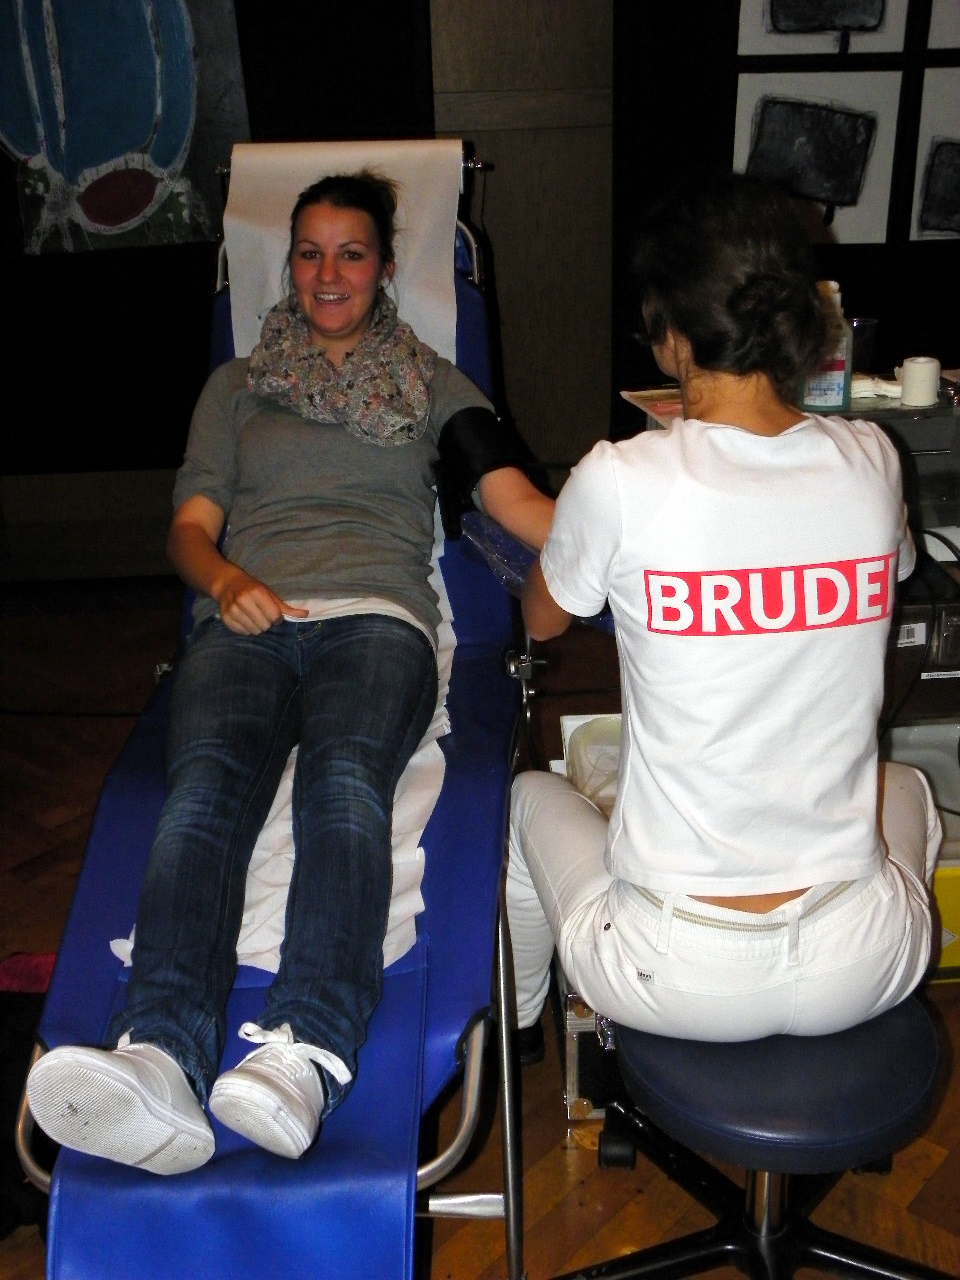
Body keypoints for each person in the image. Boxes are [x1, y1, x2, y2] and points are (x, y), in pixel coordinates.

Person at [27, 170, 554, 1174]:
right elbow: (189, 528)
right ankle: (159, 1056)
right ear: (290, 265)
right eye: (309, 253)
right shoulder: (236, 387)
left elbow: (514, 500)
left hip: (377, 622)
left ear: (387, 267)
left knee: (344, 785)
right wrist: (225, 580)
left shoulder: (432, 382)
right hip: (248, 618)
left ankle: (308, 1048)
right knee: (203, 795)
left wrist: (627, 517)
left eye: (351, 252)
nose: (327, 273)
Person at [506, 172, 941, 1056]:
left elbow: (544, 620)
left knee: (524, 800)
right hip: (863, 961)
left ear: (670, 333)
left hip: (674, 972)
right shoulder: (871, 457)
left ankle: (519, 1031)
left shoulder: (618, 478)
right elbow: (893, 570)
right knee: (910, 788)